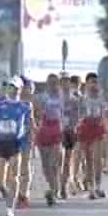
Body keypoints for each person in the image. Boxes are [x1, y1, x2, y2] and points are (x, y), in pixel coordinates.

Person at [0, 76, 31, 216]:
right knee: (1, 181)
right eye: (10, 87)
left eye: (15, 88)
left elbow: (29, 125)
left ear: (20, 90)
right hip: (1, 143)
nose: (12, 90)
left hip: (16, 144)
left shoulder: (24, 107)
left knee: (14, 178)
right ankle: (1, 190)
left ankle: (10, 209)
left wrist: (28, 143)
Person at [77, 72, 108, 200]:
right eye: (91, 82)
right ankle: (90, 188)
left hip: (98, 128)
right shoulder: (82, 98)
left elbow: (106, 114)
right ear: (87, 84)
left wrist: (107, 129)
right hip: (85, 128)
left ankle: (98, 186)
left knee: (97, 160)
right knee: (88, 160)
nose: (94, 85)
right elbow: (78, 114)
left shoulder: (102, 98)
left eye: (96, 82)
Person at [35, 73, 64, 206]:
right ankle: (53, 187)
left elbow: (68, 112)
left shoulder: (63, 96)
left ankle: (54, 191)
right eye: (50, 82)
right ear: (47, 83)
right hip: (43, 131)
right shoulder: (41, 97)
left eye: (55, 82)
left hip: (56, 130)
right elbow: (36, 113)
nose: (53, 85)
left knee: (54, 164)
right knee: (46, 166)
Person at [17, 76, 37, 207]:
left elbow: (31, 121)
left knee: (24, 167)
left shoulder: (28, 105)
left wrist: (32, 137)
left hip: (24, 139)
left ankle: (23, 195)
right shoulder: (8, 102)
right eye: (24, 88)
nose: (27, 91)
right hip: (9, 140)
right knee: (12, 169)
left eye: (29, 88)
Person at [60, 72, 80, 199]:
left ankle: (64, 186)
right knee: (58, 161)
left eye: (67, 82)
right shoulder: (54, 98)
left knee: (67, 160)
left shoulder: (75, 99)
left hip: (70, 132)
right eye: (63, 82)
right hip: (57, 132)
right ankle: (58, 185)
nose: (65, 85)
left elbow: (79, 117)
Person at [70, 75, 86, 192]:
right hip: (68, 129)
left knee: (78, 156)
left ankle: (77, 179)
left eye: (77, 85)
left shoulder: (82, 98)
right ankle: (73, 180)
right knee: (73, 156)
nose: (75, 87)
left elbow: (84, 114)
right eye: (74, 84)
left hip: (79, 129)